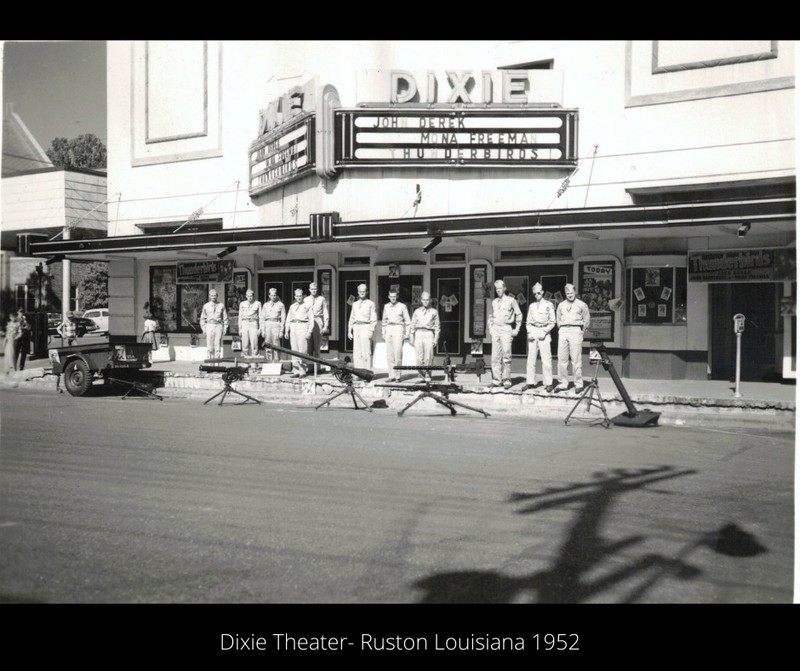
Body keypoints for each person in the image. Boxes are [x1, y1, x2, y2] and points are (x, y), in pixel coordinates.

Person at [554, 283, 591, 394]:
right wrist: (561, 328)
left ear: (575, 292)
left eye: (571, 292)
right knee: (562, 359)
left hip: (576, 330)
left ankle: (578, 384)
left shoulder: (582, 305)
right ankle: (563, 383)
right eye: (567, 293)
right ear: (565, 293)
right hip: (564, 331)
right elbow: (558, 319)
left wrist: (581, 331)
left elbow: (587, 320)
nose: (569, 295)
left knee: (576, 359)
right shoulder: (561, 305)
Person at [489, 279, 522, 389]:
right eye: (496, 289)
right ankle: (496, 380)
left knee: (506, 356)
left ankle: (507, 380)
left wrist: (516, 329)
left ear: (504, 288)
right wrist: (491, 329)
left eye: (500, 288)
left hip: (506, 329)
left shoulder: (511, 300)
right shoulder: (494, 302)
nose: (498, 290)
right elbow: (490, 317)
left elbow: (519, 314)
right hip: (496, 330)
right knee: (495, 357)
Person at [523, 283, 556, 392]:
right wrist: (529, 333)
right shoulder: (532, 306)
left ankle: (548, 383)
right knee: (531, 359)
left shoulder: (548, 304)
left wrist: (545, 331)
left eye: (538, 292)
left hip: (544, 331)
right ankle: (530, 382)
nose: (536, 295)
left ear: (542, 292)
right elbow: (527, 321)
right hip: (533, 331)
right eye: (534, 293)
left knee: (546, 359)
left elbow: (552, 322)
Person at [409, 291, 440, 382]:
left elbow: (437, 327)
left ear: (430, 300)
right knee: (419, 356)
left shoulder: (434, 312)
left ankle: (427, 374)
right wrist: (411, 337)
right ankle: (421, 373)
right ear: (421, 300)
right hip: (418, 333)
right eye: (424, 300)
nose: (426, 302)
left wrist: (436, 338)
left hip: (429, 333)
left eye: (427, 300)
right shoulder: (417, 311)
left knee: (429, 356)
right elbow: (413, 325)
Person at [382, 289, 411, 382]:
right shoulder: (386, 306)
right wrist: (383, 332)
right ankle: (391, 375)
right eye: (391, 296)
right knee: (389, 354)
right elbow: (384, 321)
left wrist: (407, 333)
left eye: (394, 296)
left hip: (398, 328)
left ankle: (398, 376)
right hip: (389, 329)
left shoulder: (402, 306)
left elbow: (408, 321)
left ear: (397, 296)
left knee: (398, 353)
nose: (393, 298)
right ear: (388, 296)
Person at [347, 283, 377, 370]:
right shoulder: (355, 304)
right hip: (356, 327)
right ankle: (358, 373)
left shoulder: (371, 304)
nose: (362, 293)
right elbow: (352, 318)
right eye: (360, 291)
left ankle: (366, 373)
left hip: (365, 327)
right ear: (358, 292)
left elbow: (373, 319)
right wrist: (349, 330)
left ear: (366, 292)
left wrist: (371, 331)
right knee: (357, 352)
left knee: (366, 352)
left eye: (363, 291)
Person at [285, 288, 313, 377]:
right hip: (293, 327)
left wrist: (309, 332)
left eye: (300, 296)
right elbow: (288, 319)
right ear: (295, 297)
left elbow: (311, 320)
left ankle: (302, 370)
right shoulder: (292, 306)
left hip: (303, 326)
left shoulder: (307, 306)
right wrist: (286, 330)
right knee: (294, 349)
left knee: (303, 350)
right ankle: (296, 370)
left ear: (303, 296)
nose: (299, 298)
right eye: (297, 296)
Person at [199, 289, 228, 360]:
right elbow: (202, 318)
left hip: (218, 325)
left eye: (215, 295)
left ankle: (216, 364)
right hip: (209, 325)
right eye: (212, 296)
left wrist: (225, 328)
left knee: (217, 345)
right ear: (209, 296)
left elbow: (225, 318)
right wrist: (203, 328)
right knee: (210, 345)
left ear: (217, 296)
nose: (213, 297)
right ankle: (210, 364)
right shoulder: (206, 306)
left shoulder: (221, 305)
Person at [260, 287, 286, 362]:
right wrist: (262, 330)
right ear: (269, 296)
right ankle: (269, 361)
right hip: (267, 324)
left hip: (276, 324)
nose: (273, 297)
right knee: (267, 343)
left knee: (276, 343)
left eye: (274, 295)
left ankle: (277, 361)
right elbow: (262, 318)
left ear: (277, 295)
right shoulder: (265, 305)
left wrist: (281, 330)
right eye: (271, 295)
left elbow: (283, 319)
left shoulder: (280, 305)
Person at [304, 282, 329, 358]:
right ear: (309, 290)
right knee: (308, 345)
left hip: (318, 320)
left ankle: (317, 368)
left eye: (315, 289)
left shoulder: (322, 299)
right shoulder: (306, 299)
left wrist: (325, 326)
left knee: (317, 346)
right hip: (308, 322)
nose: (313, 291)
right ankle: (310, 367)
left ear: (317, 289)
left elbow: (325, 312)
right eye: (312, 289)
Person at [238, 289, 262, 358]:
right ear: (246, 296)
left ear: (253, 296)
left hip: (253, 323)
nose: (250, 298)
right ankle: (245, 364)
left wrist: (260, 328)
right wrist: (240, 328)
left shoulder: (258, 303)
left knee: (254, 344)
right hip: (244, 323)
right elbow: (240, 316)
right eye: (248, 296)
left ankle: (254, 364)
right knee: (244, 344)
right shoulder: (242, 304)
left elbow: (260, 317)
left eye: (251, 296)